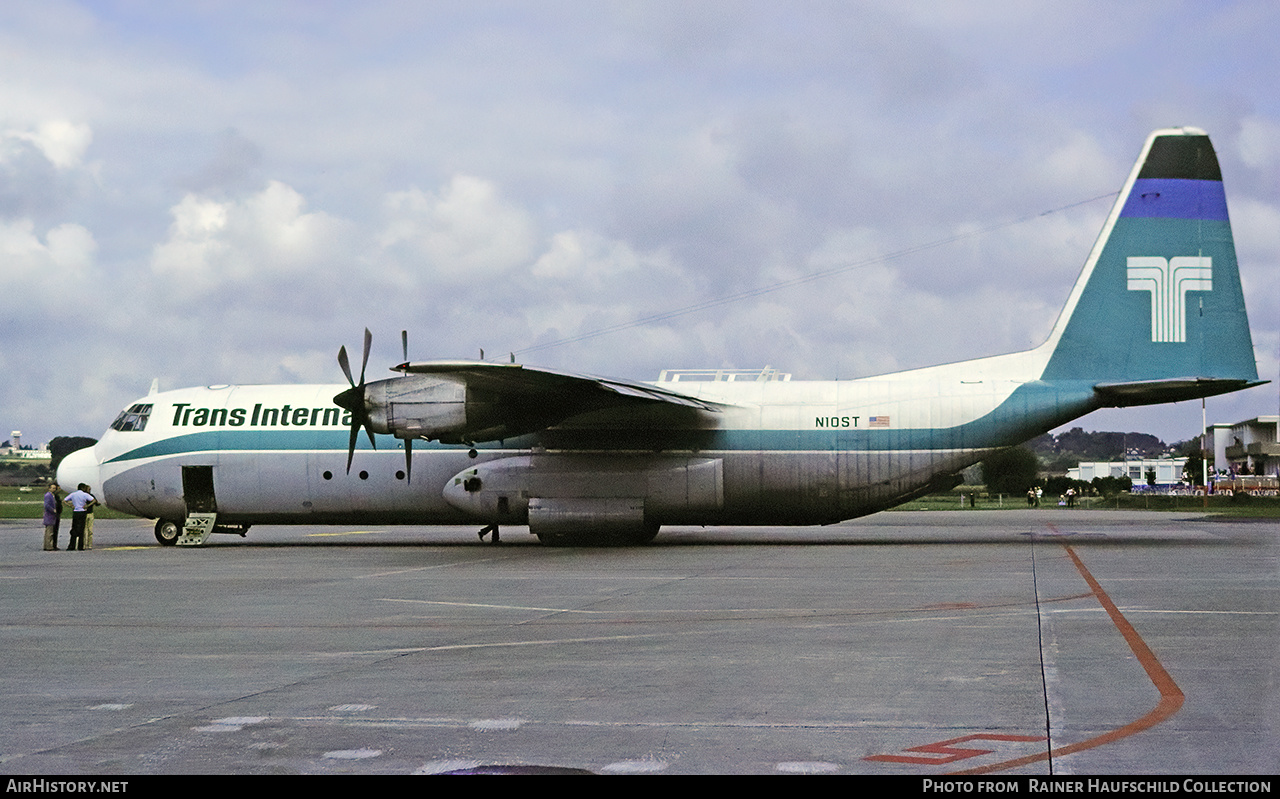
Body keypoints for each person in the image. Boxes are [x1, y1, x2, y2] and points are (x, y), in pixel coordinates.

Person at [63, 483, 94, 551]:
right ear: (83, 488)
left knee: (74, 528)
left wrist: (71, 505)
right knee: (81, 529)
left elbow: (64, 500)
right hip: (82, 512)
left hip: (76, 512)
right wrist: (87, 506)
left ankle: (72, 545)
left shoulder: (73, 494)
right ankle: (80, 546)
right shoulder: (85, 494)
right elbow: (93, 500)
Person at [43, 483, 62, 550]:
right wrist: (53, 510)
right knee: (49, 532)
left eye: (54, 488)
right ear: (49, 488)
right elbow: (46, 505)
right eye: (52, 488)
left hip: (51, 516)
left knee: (49, 531)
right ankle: (48, 546)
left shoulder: (52, 495)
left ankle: (47, 545)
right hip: (50, 516)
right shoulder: (48, 495)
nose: (54, 489)